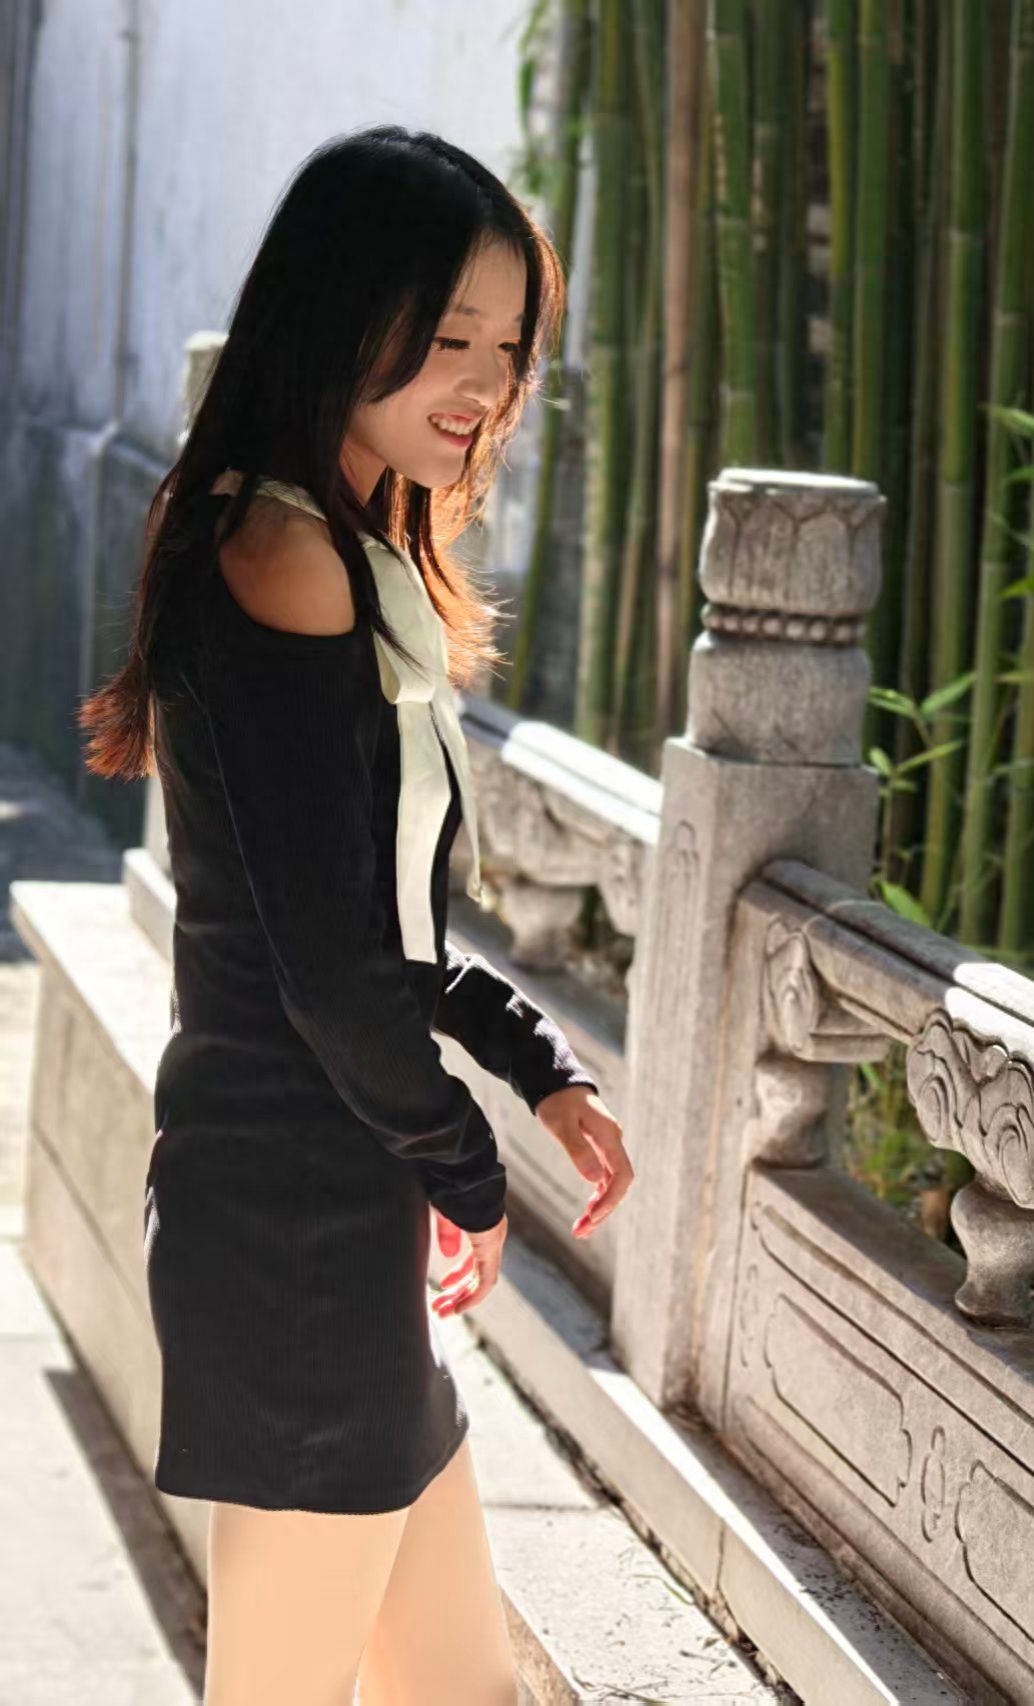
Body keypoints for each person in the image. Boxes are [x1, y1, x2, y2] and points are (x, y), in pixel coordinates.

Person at [78, 123, 632, 1705]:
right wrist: (466, 1171)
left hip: (320, 1207)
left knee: (453, 1691)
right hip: (298, 1225)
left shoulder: (338, 537)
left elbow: (370, 912)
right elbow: (326, 969)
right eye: (447, 335)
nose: (484, 381)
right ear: (339, 314)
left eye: (510, 346)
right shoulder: (284, 554)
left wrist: (535, 1064)